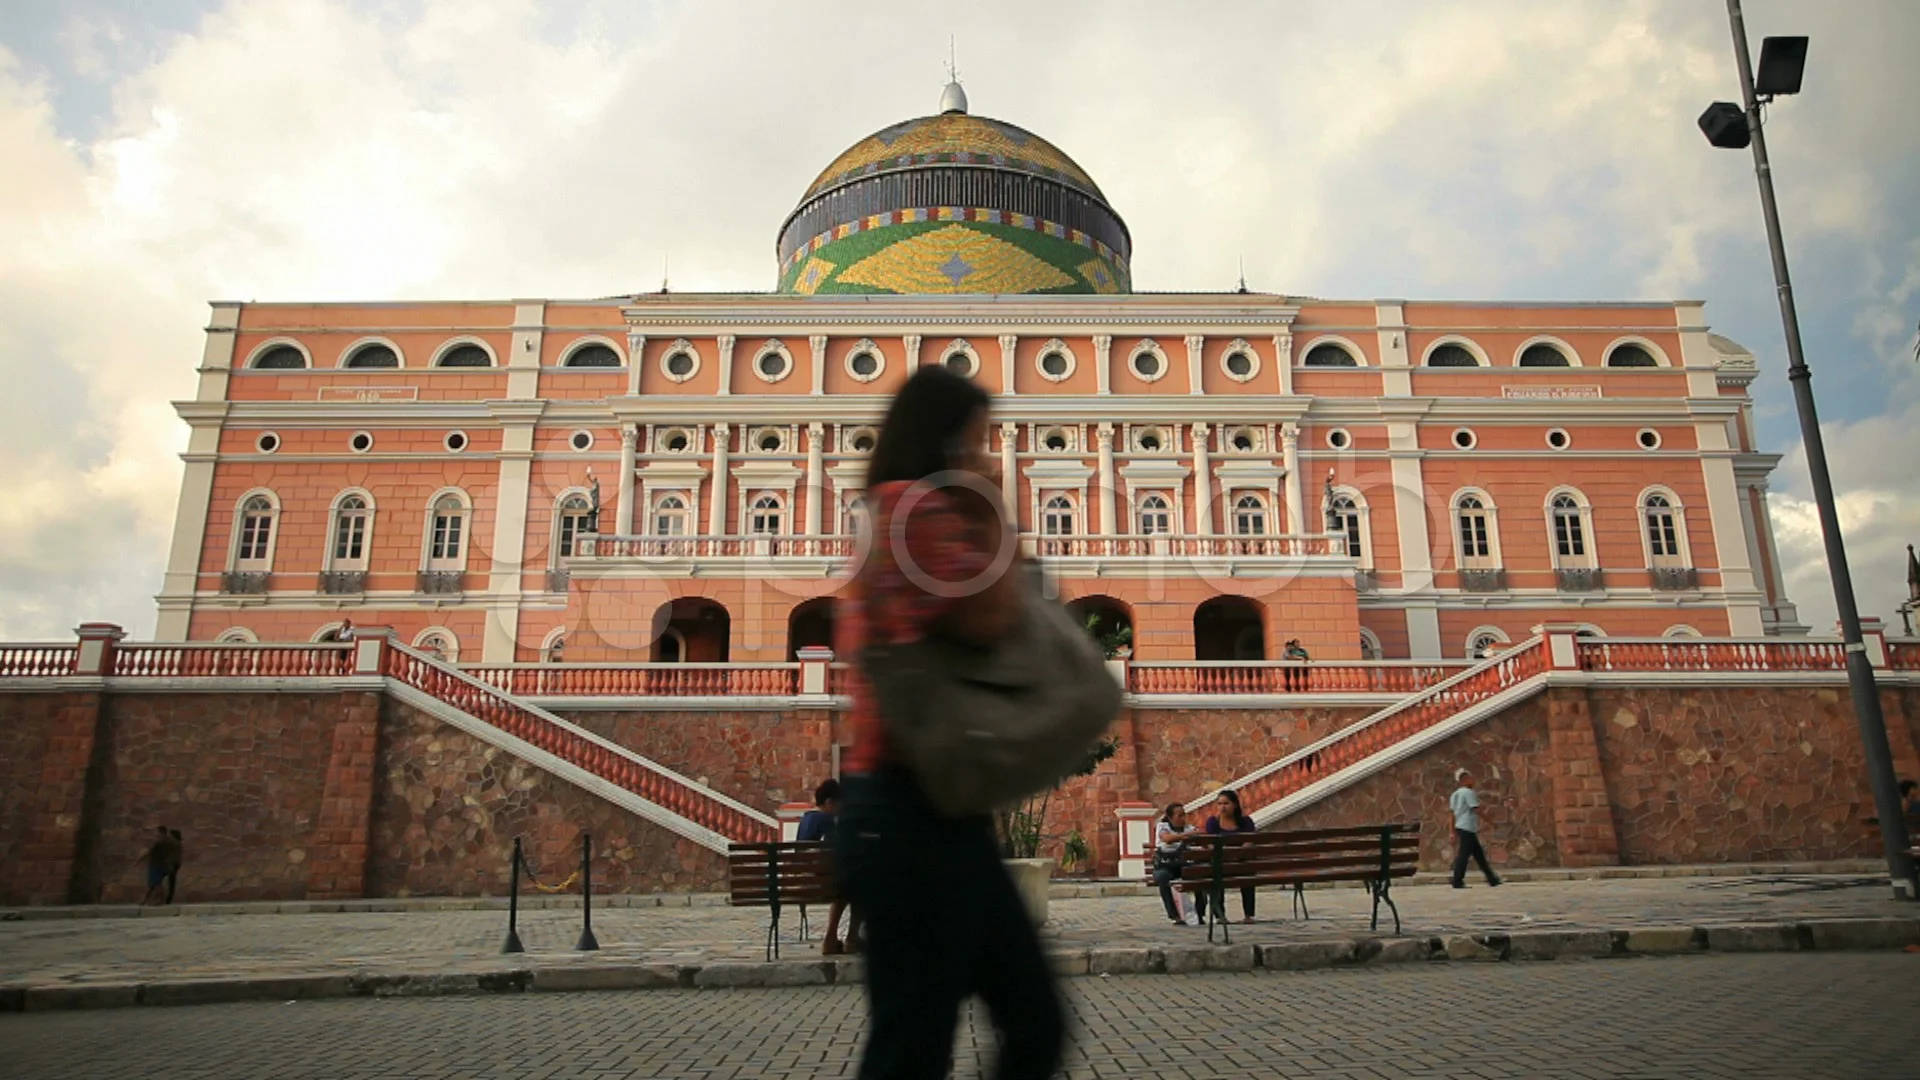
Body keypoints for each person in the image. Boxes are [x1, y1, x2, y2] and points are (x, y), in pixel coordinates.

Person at [832, 365, 1063, 1080]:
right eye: (975, 440)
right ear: (946, 438)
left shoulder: (888, 509)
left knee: (928, 1036)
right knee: (948, 1037)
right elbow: (995, 614)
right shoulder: (917, 513)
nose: (984, 453)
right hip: (913, 811)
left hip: (914, 809)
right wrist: (991, 502)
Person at [798, 779, 861, 955]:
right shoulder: (826, 820)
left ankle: (833, 939)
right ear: (829, 803)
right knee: (859, 886)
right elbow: (838, 849)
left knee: (847, 885)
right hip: (820, 883)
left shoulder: (806, 819)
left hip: (803, 881)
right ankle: (851, 939)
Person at [1201, 789, 1256, 923]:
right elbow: (1210, 844)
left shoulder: (1246, 821)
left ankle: (1248, 915)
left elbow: (1249, 841)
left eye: (1226, 803)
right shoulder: (1213, 822)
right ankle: (1220, 915)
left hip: (1241, 862)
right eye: (1219, 804)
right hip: (1222, 863)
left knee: (1247, 873)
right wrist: (1226, 856)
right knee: (1216, 874)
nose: (1222, 807)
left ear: (1235, 805)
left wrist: (1236, 855)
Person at [1449, 769, 1501, 889]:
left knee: (1479, 855)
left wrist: (1451, 831)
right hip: (1467, 827)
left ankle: (1492, 879)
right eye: (1470, 778)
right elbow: (1476, 809)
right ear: (1464, 780)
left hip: (1461, 827)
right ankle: (1457, 881)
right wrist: (1491, 822)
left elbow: (1451, 815)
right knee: (1464, 855)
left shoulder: (1454, 794)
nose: (1473, 781)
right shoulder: (1468, 793)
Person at [1154, 803, 1201, 926]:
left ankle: (1200, 913)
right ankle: (1174, 915)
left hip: (1183, 865)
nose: (1183, 818)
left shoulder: (1189, 828)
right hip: (1165, 865)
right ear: (1170, 817)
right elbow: (1166, 838)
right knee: (1162, 877)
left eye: (1183, 815)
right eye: (1179, 816)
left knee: (1199, 875)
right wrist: (1186, 836)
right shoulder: (1163, 827)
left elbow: (1199, 835)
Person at [139, 826, 176, 906]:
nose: (156, 834)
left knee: (157, 884)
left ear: (161, 832)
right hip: (163, 865)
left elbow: (148, 852)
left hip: (156, 865)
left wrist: (138, 861)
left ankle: (159, 901)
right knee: (152, 884)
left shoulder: (159, 842)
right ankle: (144, 900)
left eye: (157, 832)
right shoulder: (169, 842)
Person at [164, 828, 184, 905]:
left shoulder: (173, 842)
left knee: (171, 881)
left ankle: (168, 898)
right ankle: (168, 898)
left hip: (172, 864)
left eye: (170, 835)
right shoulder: (178, 843)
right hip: (175, 864)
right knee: (172, 881)